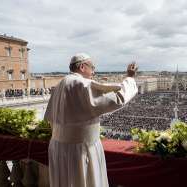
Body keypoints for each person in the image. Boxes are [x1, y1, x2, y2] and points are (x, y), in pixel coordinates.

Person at [44, 53, 138, 187]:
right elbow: (118, 98)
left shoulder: (59, 85)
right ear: (82, 67)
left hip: (58, 148)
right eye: (92, 67)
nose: (94, 72)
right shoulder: (81, 84)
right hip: (80, 151)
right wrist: (130, 77)